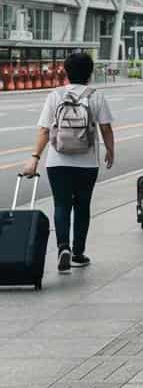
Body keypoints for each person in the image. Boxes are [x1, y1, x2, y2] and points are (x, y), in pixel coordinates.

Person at [23, 52, 114, 273]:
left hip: (57, 161)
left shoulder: (55, 95)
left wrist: (35, 157)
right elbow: (105, 128)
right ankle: (78, 253)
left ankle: (63, 247)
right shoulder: (96, 96)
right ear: (90, 74)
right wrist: (111, 150)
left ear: (66, 71)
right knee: (82, 206)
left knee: (61, 204)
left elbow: (44, 130)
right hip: (87, 163)